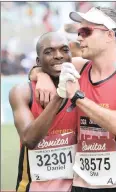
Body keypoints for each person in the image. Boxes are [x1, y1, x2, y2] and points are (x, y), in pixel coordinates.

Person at [28, 7, 116, 192]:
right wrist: (41, 76)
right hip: (82, 185)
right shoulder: (79, 68)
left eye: (86, 32)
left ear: (110, 35)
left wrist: (77, 97)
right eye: (79, 32)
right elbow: (44, 65)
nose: (79, 38)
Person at [9, 31, 78, 192]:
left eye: (64, 50)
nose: (58, 55)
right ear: (38, 61)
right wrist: (59, 95)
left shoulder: (80, 88)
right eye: (49, 51)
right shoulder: (22, 92)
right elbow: (29, 139)